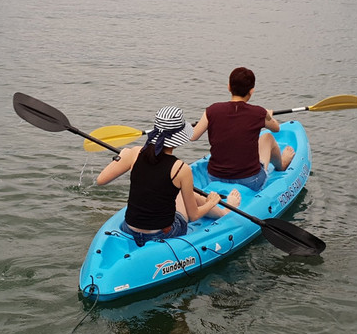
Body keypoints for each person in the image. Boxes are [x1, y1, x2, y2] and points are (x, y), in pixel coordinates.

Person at [97, 106, 240, 246]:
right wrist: (211, 201)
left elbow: (100, 180)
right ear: (178, 138)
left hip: (129, 228)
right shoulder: (180, 169)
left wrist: (121, 157)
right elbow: (193, 215)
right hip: (163, 233)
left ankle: (219, 210)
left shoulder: (133, 153)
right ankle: (224, 211)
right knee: (181, 190)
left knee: (174, 188)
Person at [190, 67, 294, 191]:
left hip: (215, 177)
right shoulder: (258, 112)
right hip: (250, 180)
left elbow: (193, 136)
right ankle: (281, 165)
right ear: (252, 91)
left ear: (229, 87)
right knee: (267, 137)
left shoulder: (212, 110)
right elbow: (276, 128)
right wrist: (268, 115)